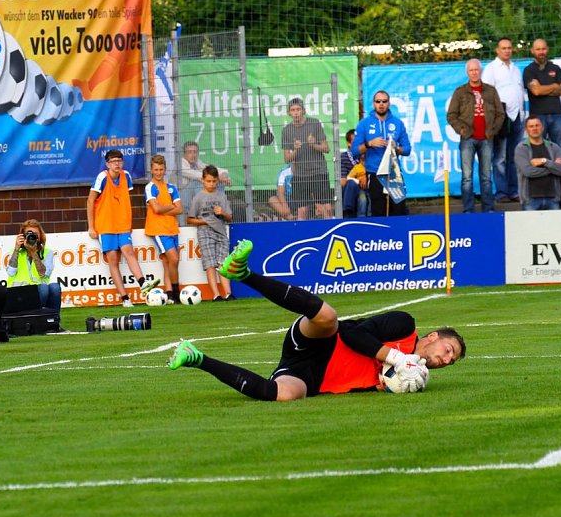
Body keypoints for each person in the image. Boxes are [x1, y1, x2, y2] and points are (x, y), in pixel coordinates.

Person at [168, 239, 466, 401]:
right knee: (327, 317)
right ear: (433, 337)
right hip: (323, 341)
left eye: (450, 362)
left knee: (282, 395)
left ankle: (196, 358)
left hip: (317, 378)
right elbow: (353, 335)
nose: (445, 360)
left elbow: (365, 382)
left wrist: (387, 385)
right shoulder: (404, 324)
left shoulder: (415, 377)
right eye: (448, 351)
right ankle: (243, 274)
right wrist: (397, 358)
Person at [87, 149, 160, 308]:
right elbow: (90, 201)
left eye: (119, 161)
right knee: (113, 260)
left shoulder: (126, 176)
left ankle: (143, 284)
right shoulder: (102, 177)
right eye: (114, 161)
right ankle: (125, 298)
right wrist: (91, 227)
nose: (117, 164)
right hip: (105, 225)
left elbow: (124, 200)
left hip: (122, 224)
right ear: (107, 164)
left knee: (128, 251)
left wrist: (128, 221)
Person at [447, 58, 505, 213]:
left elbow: (500, 113)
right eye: (471, 70)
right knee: (467, 177)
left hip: (487, 138)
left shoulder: (491, 91)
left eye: (476, 70)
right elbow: (451, 115)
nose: (474, 72)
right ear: (467, 72)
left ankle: (488, 208)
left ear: (481, 71)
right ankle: (468, 209)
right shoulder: (460, 92)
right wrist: (462, 130)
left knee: (486, 176)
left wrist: (492, 131)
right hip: (468, 139)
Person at [352, 91, 412, 216]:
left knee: (398, 210)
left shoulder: (397, 123)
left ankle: (398, 235)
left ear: (389, 103)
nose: (381, 104)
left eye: (384, 101)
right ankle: (381, 235)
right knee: (378, 211)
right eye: (378, 101)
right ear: (373, 104)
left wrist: (397, 148)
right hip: (375, 173)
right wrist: (369, 144)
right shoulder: (364, 124)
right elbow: (355, 151)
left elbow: (407, 149)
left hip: (394, 174)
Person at [482, 37, 525, 203]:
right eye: (504, 48)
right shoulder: (491, 69)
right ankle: (501, 192)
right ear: (497, 50)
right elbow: (486, 94)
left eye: (509, 48)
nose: (507, 50)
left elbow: (519, 92)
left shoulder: (515, 69)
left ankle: (514, 190)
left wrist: (523, 113)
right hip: (501, 118)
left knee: (515, 156)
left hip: (517, 117)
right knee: (499, 157)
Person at [187, 165, 233, 301]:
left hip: (221, 233)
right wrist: (204, 222)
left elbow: (229, 217)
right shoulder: (198, 198)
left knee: (223, 264)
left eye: (214, 181)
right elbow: (189, 219)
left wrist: (222, 213)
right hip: (205, 232)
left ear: (217, 181)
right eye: (208, 181)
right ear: (202, 180)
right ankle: (216, 295)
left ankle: (228, 293)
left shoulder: (222, 196)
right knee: (210, 264)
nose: (211, 184)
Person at [281, 97, 333, 219]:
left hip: (318, 171)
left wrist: (313, 144)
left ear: (303, 110)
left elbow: (326, 148)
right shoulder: (287, 130)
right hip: (300, 174)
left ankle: (330, 233)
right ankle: (302, 235)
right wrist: (296, 149)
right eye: (293, 110)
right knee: (302, 211)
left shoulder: (314, 123)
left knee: (326, 208)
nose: (296, 112)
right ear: (289, 113)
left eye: (298, 109)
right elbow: (287, 158)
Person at [144, 155, 183, 303]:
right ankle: (176, 291)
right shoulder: (150, 187)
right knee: (174, 258)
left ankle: (170, 295)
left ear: (165, 169)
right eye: (156, 170)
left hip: (172, 228)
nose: (158, 172)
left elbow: (180, 210)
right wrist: (171, 207)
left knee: (168, 262)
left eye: (161, 169)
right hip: (158, 229)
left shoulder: (171, 187)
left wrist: (164, 208)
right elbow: (156, 209)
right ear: (151, 170)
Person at [6, 219, 63, 315]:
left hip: (39, 291)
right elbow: (11, 272)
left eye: (35, 234)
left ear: (40, 236)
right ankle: (37, 318)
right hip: (19, 293)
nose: (31, 237)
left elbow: (43, 274)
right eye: (28, 234)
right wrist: (16, 248)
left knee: (55, 287)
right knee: (44, 288)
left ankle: (54, 321)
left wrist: (33, 252)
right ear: (22, 236)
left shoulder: (47, 252)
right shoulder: (15, 252)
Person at [522, 39, 561, 152]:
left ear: (547, 49)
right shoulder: (529, 70)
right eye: (538, 49)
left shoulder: (555, 68)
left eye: (543, 49)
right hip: (538, 117)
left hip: (557, 115)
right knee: (539, 151)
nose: (541, 52)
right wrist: (554, 85)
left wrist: (542, 88)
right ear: (532, 51)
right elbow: (536, 91)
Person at [515, 116, 561, 211]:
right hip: (530, 200)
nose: (534, 128)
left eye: (537, 125)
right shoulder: (521, 148)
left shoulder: (554, 147)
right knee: (531, 226)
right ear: (526, 129)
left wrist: (545, 161)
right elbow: (528, 172)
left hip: (553, 199)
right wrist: (552, 168)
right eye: (531, 126)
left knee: (554, 226)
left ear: (542, 127)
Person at [179, 141, 231, 225]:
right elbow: (196, 175)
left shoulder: (197, 163)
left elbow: (214, 170)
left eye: (195, 152)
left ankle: (216, 211)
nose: (193, 155)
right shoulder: (180, 164)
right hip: (181, 199)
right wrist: (216, 177)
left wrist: (224, 176)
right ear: (184, 154)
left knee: (214, 181)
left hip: (191, 199)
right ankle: (205, 211)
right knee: (201, 181)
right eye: (190, 152)